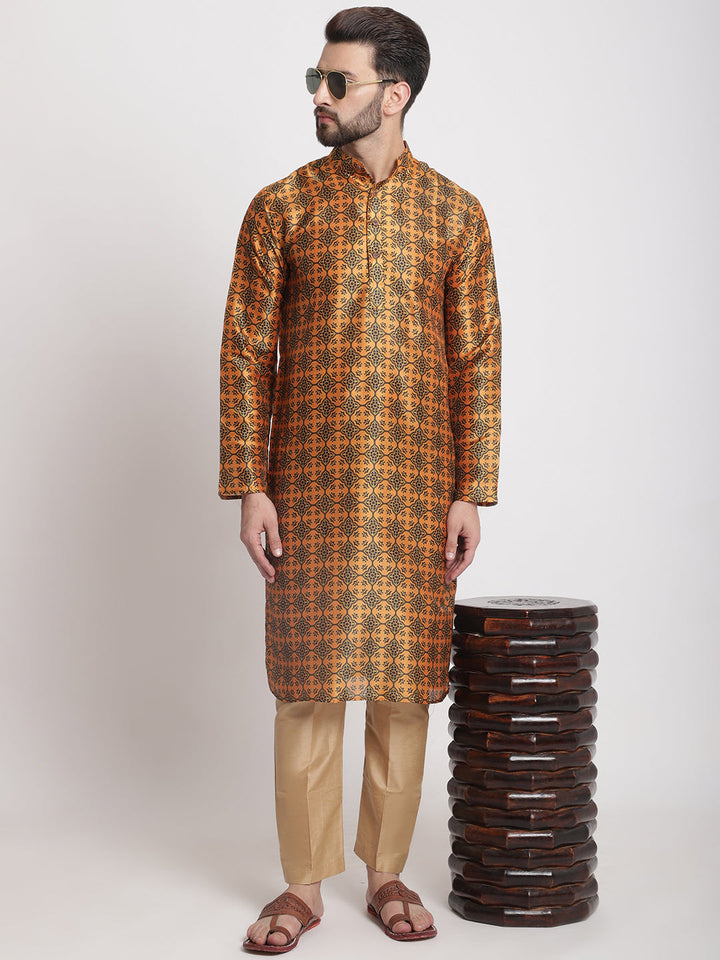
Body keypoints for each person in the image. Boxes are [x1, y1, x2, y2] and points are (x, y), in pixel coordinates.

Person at [218, 5, 501, 951]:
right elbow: (246, 353)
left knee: (403, 685)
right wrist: (249, 483)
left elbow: (477, 360)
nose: (320, 96)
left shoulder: (456, 213)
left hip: (419, 485)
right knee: (306, 684)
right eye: (317, 79)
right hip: (307, 481)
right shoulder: (282, 207)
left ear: (396, 93)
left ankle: (386, 874)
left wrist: (472, 490)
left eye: (336, 82)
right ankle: (302, 887)